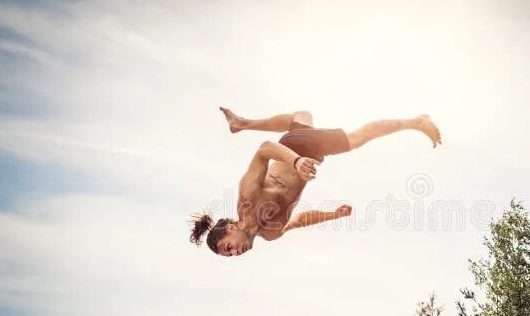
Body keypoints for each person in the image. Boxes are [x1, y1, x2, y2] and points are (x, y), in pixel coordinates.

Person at [189, 107, 442, 257]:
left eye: (228, 248)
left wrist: (297, 162)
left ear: (231, 229)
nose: (234, 253)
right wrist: (333, 215)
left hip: (297, 149)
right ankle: (242, 123)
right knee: (303, 115)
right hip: (303, 149)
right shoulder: (271, 234)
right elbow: (298, 220)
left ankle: (415, 122)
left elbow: (264, 149)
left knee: (357, 138)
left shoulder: (247, 200)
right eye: (229, 255)